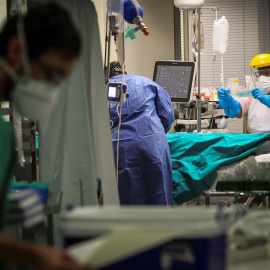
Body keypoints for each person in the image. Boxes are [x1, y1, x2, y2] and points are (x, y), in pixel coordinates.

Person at [0, 2, 91, 270]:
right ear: (16, 50)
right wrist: (36, 256)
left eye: (60, 81)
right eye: (51, 74)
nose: (51, 91)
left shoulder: (5, 135)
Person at [108, 61, 175, 205]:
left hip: (118, 150)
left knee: (125, 197)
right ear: (125, 72)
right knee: (159, 193)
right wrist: (156, 132)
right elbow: (167, 114)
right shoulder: (146, 83)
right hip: (152, 144)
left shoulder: (103, 89)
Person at [218, 54, 270, 154]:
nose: (262, 77)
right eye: (260, 73)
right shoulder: (254, 96)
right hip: (255, 144)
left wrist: (267, 100)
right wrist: (228, 101)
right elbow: (237, 109)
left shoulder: (261, 97)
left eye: (267, 73)